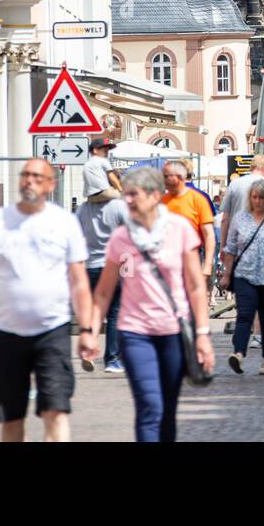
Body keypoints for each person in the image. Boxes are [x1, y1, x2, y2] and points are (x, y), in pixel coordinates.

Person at [79, 166, 214, 442]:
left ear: (154, 196)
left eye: (132, 194)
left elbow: (195, 286)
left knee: (167, 409)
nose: (126, 200)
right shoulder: (121, 237)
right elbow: (104, 292)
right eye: (125, 194)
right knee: (149, 406)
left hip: (174, 332)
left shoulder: (180, 229)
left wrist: (202, 334)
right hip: (135, 333)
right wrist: (91, 332)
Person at [0, 159, 92, 442]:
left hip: (54, 331)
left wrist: (86, 330)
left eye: (38, 176)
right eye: (25, 175)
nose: (29, 181)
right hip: (5, 334)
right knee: (11, 417)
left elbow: (79, 281)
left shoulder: (65, 222)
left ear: (51, 184)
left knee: (56, 411)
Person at [220, 178, 264, 375]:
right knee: (244, 316)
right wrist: (227, 274)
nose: (257, 201)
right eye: (254, 197)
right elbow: (231, 248)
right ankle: (239, 354)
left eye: (261, 197)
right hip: (245, 275)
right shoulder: (240, 218)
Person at [77, 153, 128, 374]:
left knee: (94, 310)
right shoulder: (119, 207)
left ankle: (88, 350)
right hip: (115, 266)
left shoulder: (82, 209)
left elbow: (75, 237)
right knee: (116, 313)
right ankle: (112, 360)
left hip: (90, 266)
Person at [161, 161, 216, 283]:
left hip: (192, 257)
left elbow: (209, 234)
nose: (163, 180)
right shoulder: (162, 201)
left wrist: (207, 265)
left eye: (166, 177)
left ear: (180, 177)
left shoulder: (198, 200)